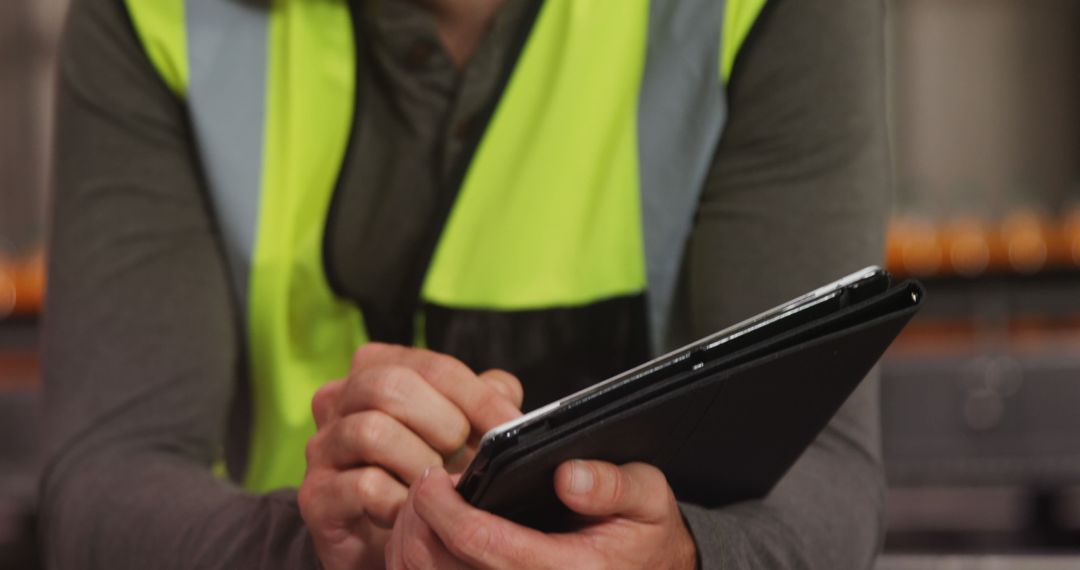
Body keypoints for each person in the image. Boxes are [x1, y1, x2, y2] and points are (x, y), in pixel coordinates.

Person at [39, 0, 890, 568]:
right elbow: (105, 479)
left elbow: (829, 468)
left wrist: (691, 553)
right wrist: (317, 545)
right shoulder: (154, 16)